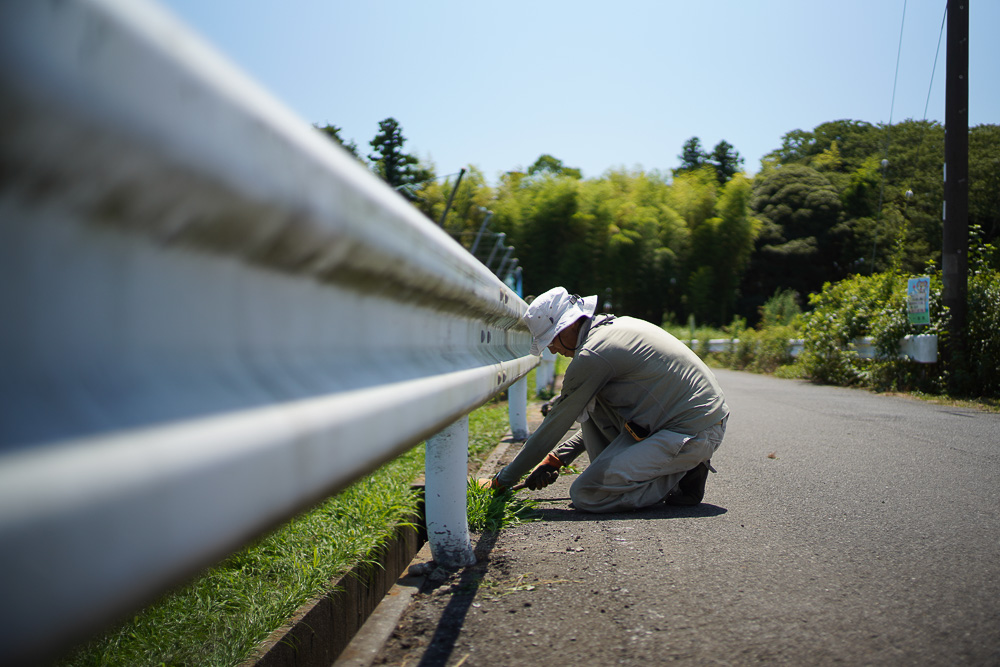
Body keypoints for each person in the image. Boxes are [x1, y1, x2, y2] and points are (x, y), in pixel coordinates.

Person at [481, 286, 729, 513]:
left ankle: (679, 477)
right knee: (591, 403)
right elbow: (590, 415)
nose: (552, 349)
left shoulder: (593, 355)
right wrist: (556, 459)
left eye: (552, 338)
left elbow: (555, 424)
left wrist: (503, 480)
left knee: (586, 494)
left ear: (569, 325)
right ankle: (675, 468)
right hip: (683, 425)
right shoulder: (610, 330)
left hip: (693, 432)